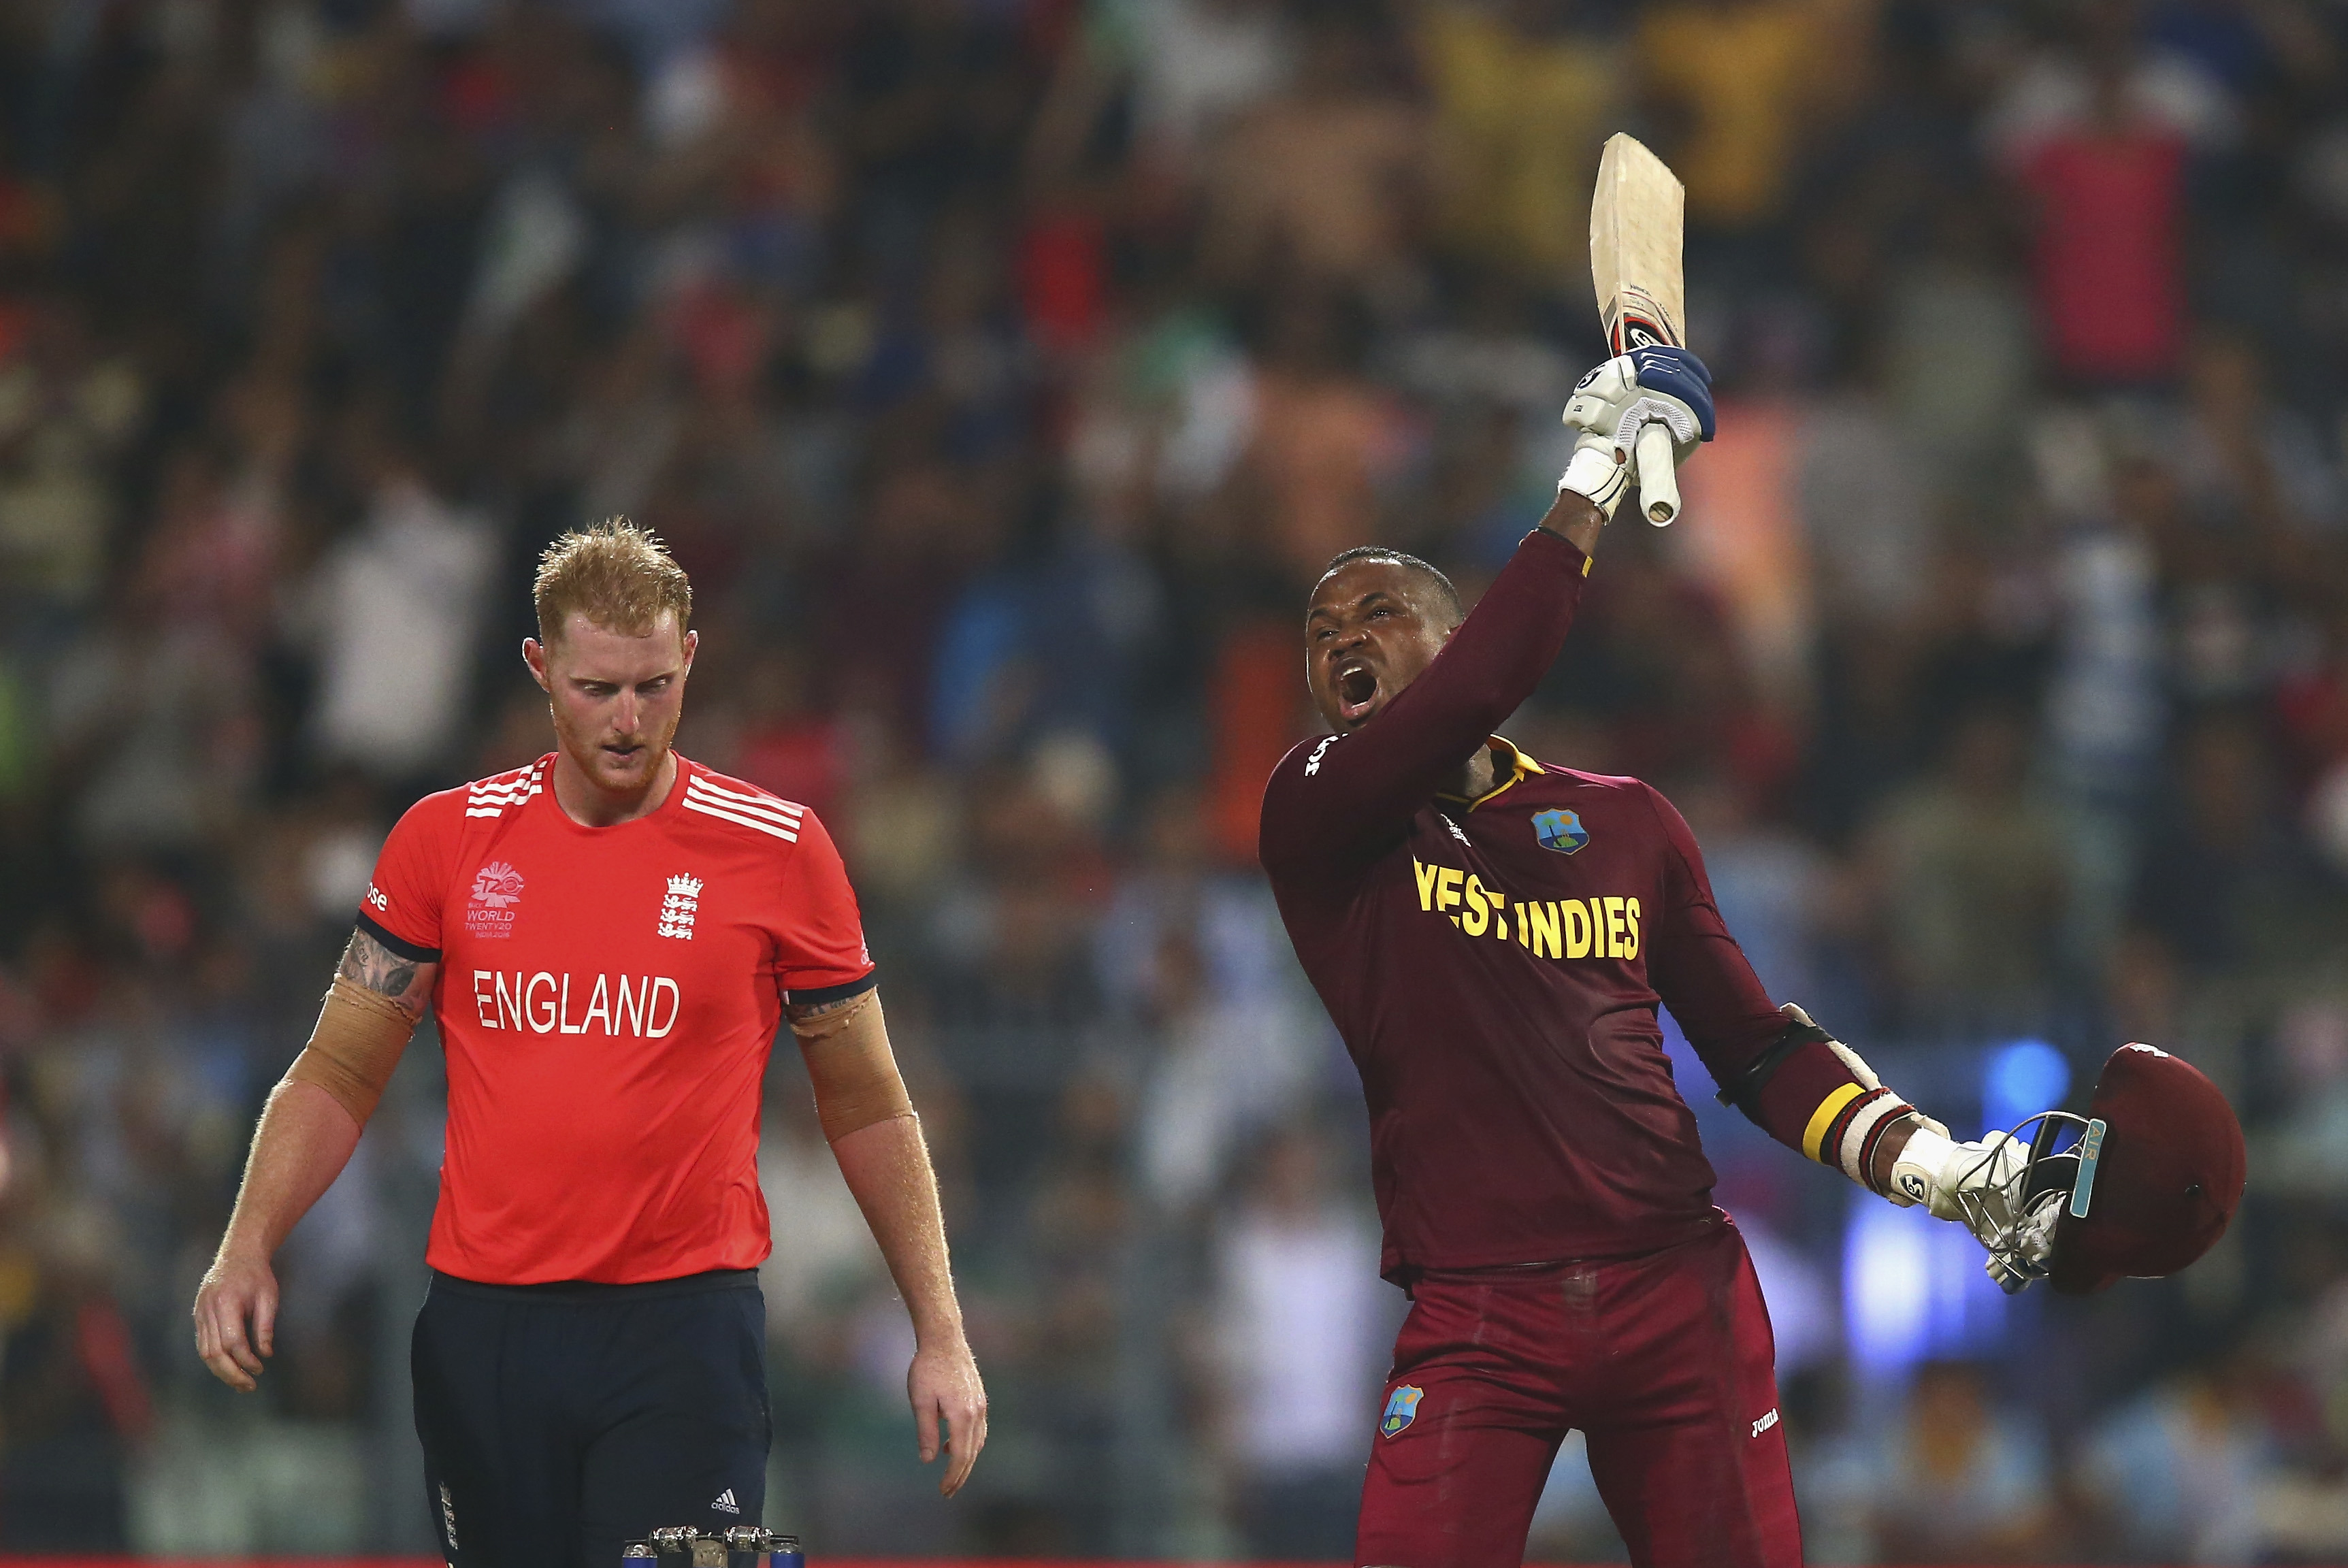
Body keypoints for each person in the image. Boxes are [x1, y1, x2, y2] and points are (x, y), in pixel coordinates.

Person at [1258, 348, 2025, 1568]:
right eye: (1320, 629)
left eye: (1378, 613)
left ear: (1455, 642)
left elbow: (1756, 1047)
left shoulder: (1624, 821)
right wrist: (1595, 470)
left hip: (1676, 1287)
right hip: (1476, 1309)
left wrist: (1929, 1163)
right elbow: (1480, 686)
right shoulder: (1316, 810)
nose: (1340, 638)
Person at [192, 521, 986, 1567]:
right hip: (487, 1335)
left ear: (691, 659)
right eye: (596, 688)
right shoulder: (446, 840)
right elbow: (340, 1068)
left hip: (684, 1336)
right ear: (539, 668)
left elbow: (869, 1101)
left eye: (654, 686)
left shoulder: (780, 851)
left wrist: (939, 1328)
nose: (626, 721)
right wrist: (246, 1244)